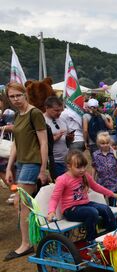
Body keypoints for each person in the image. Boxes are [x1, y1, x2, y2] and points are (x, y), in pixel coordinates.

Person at [4, 82, 49, 261]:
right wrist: (9, 167)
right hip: (21, 163)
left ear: (25, 94)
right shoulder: (18, 115)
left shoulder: (34, 113)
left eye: (18, 95)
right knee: (27, 205)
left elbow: (44, 142)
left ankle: (26, 244)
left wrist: (43, 169)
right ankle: (34, 237)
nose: (15, 99)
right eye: (12, 96)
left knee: (21, 203)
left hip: (32, 163)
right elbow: (15, 143)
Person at [47, 150, 117, 241]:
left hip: (85, 204)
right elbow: (55, 198)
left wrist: (112, 194)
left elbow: (96, 187)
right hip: (70, 210)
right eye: (79, 167)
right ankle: (91, 239)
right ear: (69, 166)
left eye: (84, 166)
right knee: (92, 212)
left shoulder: (84, 175)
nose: (82, 170)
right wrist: (51, 212)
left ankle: (112, 235)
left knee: (105, 208)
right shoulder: (62, 179)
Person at [43, 96, 72, 180]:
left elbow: (67, 141)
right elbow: (41, 142)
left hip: (66, 160)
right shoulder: (42, 121)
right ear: (47, 108)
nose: (59, 112)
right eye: (56, 110)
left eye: (61, 110)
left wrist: (69, 138)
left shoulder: (62, 119)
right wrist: (55, 138)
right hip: (52, 162)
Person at [92, 132, 117, 206]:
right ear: (98, 143)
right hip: (101, 182)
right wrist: (92, 179)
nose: (105, 145)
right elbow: (94, 167)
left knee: (112, 202)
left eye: (107, 143)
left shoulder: (115, 154)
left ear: (110, 143)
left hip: (113, 182)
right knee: (101, 202)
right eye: (102, 143)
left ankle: (113, 214)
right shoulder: (95, 155)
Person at [0, 92, 16, 195]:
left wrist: (1, 128)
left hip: (5, 145)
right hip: (4, 146)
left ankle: (15, 190)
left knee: (7, 169)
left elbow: (13, 127)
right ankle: (14, 190)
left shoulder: (8, 112)